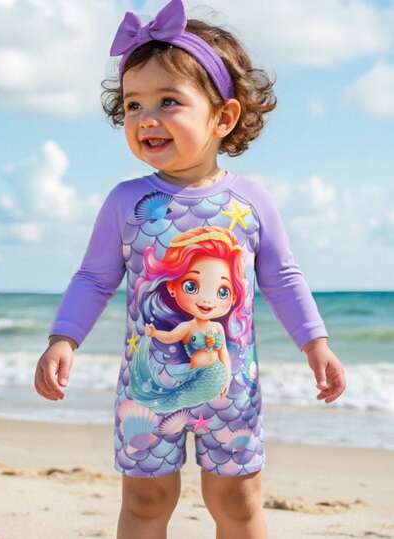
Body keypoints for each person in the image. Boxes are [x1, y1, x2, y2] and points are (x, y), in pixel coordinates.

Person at [34, 0, 347, 537]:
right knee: (146, 501)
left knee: (238, 501)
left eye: (168, 101)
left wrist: (315, 344)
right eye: (133, 104)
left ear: (223, 117)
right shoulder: (126, 202)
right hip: (148, 387)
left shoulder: (251, 202)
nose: (146, 118)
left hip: (232, 389)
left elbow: (282, 278)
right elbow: (94, 278)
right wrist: (64, 338)